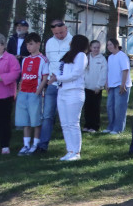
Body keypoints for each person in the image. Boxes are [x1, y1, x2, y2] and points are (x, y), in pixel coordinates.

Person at [37, 18, 73, 153]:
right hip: (52, 85)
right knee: (47, 115)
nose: (59, 35)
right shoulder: (49, 43)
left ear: (66, 29)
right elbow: (48, 62)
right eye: (56, 33)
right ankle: (42, 145)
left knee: (68, 117)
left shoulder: (73, 42)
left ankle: (71, 147)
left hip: (68, 85)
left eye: (61, 32)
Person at [54, 34, 90, 161]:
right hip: (62, 91)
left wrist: (58, 78)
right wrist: (57, 78)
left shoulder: (81, 56)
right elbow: (61, 71)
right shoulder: (67, 55)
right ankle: (69, 150)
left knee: (73, 123)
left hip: (74, 92)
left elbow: (75, 74)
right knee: (65, 124)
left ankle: (76, 152)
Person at [15, 33, 47, 155]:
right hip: (23, 92)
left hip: (35, 93)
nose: (29, 47)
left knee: (36, 120)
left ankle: (35, 144)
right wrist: (19, 91)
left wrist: (37, 92)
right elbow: (23, 77)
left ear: (38, 44)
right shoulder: (25, 60)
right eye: (27, 44)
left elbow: (44, 78)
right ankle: (26, 145)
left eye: (31, 44)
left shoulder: (43, 60)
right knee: (25, 120)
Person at [103, 38, 131, 134]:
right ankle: (111, 126)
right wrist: (107, 83)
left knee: (119, 107)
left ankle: (118, 128)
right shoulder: (110, 57)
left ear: (116, 45)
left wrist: (123, 84)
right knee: (110, 106)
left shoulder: (122, 56)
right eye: (108, 45)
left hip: (121, 85)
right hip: (111, 85)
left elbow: (125, 70)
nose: (109, 47)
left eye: (110, 44)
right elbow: (108, 71)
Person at [82, 40, 107, 133]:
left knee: (95, 108)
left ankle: (95, 126)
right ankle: (87, 125)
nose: (96, 49)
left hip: (96, 88)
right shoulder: (86, 58)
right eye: (94, 47)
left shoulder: (102, 59)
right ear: (90, 48)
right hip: (86, 87)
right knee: (87, 107)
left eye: (98, 47)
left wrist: (99, 86)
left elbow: (103, 74)